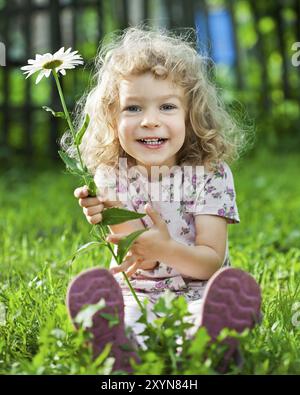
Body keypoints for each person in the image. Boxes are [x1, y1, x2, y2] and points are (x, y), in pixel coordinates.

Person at [65, 26, 261, 373]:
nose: (150, 121)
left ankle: (208, 336)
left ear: (191, 115)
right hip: (139, 291)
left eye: (167, 107)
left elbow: (209, 263)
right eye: (133, 108)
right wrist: (107, 212)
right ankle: (118, 342)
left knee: (200, 313)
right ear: (112, 117)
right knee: (126, 312)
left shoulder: (210, 174)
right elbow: (143, 262)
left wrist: (166, 248)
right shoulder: (112, 176)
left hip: (199, 291)